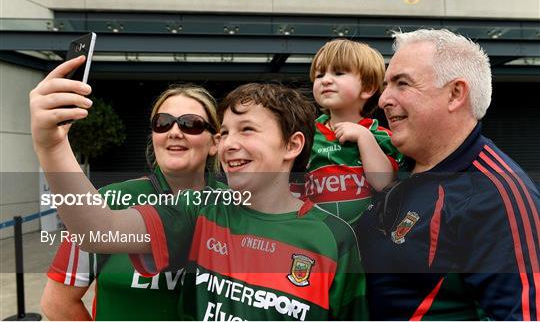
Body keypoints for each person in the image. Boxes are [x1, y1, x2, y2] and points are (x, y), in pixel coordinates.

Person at [30, 61, 367, 320]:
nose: (230, 144)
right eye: (226, 134)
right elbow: (97, 232)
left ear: (292, 145)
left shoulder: (334, 237)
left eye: (247, 130)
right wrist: (52, 144)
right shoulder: (199, 209)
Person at [357, 29, 540, 320]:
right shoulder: (395, 166)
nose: (383, 100)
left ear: (455, 94)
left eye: (402, 84)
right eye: (386, 85)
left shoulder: (495, 194)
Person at [40, 85, 225, 320]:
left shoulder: (237, 206)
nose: (175, 132)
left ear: (215, 142)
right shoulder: (104, 203)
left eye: (191, 124)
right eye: (163, 123)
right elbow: (57, 302)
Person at [303, 39, 403, 225]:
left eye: (339, 73)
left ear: (367, 88)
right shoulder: (305, 135)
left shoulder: (380, 136)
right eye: (319, 75)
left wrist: (364, 138)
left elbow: (383, 184)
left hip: (366, 241)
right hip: (319, 238)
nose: (326, 80)